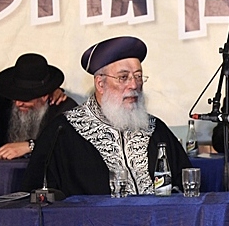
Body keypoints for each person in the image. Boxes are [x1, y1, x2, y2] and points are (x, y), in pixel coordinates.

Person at [22, 36, 191, 196]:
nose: (134, 85)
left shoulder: (155, 128)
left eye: (138, 76)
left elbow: (185, 187)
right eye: (123, 77)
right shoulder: (62, 132)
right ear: (100, 84)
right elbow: (39, 200)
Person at [0, 54, 77, 160]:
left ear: (44, 96)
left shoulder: (65, 110)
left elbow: (71, 146)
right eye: (14, 97)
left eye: (25, 99)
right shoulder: (4, 105)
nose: (18, 104)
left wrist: (31, 146)